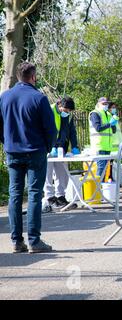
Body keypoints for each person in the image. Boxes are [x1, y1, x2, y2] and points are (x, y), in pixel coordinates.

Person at [0, 62, 57, 253]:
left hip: (13, 152)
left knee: (15, 195)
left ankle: (16, 241)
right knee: (34, 194)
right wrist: (47, 147)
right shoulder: (39, 98)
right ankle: (34, 240)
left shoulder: (5, 97)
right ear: (33, 77)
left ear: (18, 76)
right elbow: (50, 129)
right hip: (35, 151)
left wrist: (7, 143)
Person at [43, 97, 80, 213]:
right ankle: (50, 198)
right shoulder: (48, 110)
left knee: (62, 173)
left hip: (61, 148)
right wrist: (51, 145)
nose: (67, 112)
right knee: (48, 174)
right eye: (65, 110)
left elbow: (72, 131)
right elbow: (45, 129)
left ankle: (61, 197)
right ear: (59, 105)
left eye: (69, 111)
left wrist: (74, 146)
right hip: (48, 148)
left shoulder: (68, 115)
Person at [89, 97, 117, 179]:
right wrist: (110, 124)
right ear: (98, 104)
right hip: (99, 145)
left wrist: (114, 123)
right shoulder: (95, 113)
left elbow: (113, 131)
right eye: (103, 103)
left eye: (106, 104)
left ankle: (100, 188)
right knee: (101, 168)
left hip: (107, 146)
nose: (105, 105)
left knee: (104, 169)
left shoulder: (108, 114)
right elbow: (98, 128)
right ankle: (97, 188)